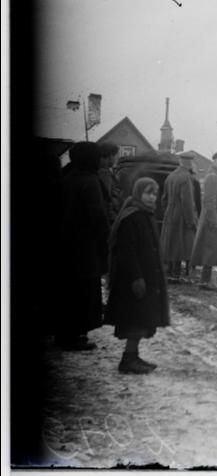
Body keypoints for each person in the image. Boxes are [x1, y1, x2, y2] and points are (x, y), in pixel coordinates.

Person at [105, 177, 170, 374]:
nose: (152, 198)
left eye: (154, 194)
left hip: (146, 277)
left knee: (141, 319)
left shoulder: (145, 215)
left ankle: (132, 356)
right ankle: (128, 359)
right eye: (148, 193)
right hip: (133, 280)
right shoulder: (131, 217)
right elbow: (127, 251)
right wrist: (136, 278)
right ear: (138, 193)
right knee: (135, 320)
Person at [57, 142, 109, 351]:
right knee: (83, 292)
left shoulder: (68, 178)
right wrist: (107, 237)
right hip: (86, 247)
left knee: (68, 290)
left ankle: (64, 333)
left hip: (66, 244)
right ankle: (74, 336)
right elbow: (97, 215)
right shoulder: (91, 181)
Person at [190, 151, 217, 291]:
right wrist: (213, 218)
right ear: (214, 161)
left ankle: (207, 279)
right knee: (210, 249)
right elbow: (209, 200)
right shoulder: (212, 177)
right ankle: (204, 281)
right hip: (213, 219)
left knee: (214, 249)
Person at [161, 152, 198, 282]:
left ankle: (169, 270)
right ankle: (175, 273)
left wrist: (169, 209)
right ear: (189, 163)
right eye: (193, 162)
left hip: (169, 212)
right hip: (181, 214)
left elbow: (164, 199)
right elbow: (187, 202)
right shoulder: (186, 177)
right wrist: (190, 221)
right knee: (180, 243)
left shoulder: (170, 176)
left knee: (170, 242)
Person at [97, 142, 122, 226]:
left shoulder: (103, 170)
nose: (116, 159)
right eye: (115, 156)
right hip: (110, 217)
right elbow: (107, 198)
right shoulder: (104, 172)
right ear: (111, 156)